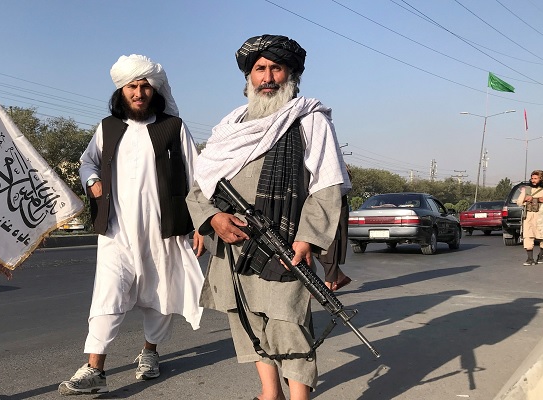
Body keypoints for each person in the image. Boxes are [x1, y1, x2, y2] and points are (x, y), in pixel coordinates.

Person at [186, 34, 351, 400]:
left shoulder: (309, 121)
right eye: (260, 69)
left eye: (276, 68)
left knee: (288, 323)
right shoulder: (229, 127)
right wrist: (213, 219)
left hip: (285, 242)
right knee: (246, 319)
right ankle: (268, 393)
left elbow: (326, 187)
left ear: (291, 75)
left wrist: (307, 238)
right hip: (235, 242)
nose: (267, 77)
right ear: (249, 77)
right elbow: (201, 185)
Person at [59, 54, 205, 396]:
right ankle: (95, 368)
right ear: (121, 92)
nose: (139, 93)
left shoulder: (174, 127)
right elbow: (87, 162)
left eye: (144, 86)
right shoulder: (108, 127)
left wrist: (201, 224)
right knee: (107, 295)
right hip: (116, 231)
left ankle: (150, 353)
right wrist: (92, 180)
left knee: (161, 294)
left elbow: (198, 175)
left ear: (154, 91)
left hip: (164, 230)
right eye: (132, 87)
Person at [515, 169, 543, 266]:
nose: (533, 180)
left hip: (542, 216)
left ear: (541, 179)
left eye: (535, 178)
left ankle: (541, 256)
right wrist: (525, 199)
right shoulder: (527, 190)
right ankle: (530, 259)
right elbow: (519, 202)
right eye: (532, 178)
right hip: (529, 216)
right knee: (528, 236)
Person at [315, 195, 352, 291]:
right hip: (319, 200)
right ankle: (338, 276)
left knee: (328, 243)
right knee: (312, 244)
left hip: (332, 199)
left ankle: (329, 283)